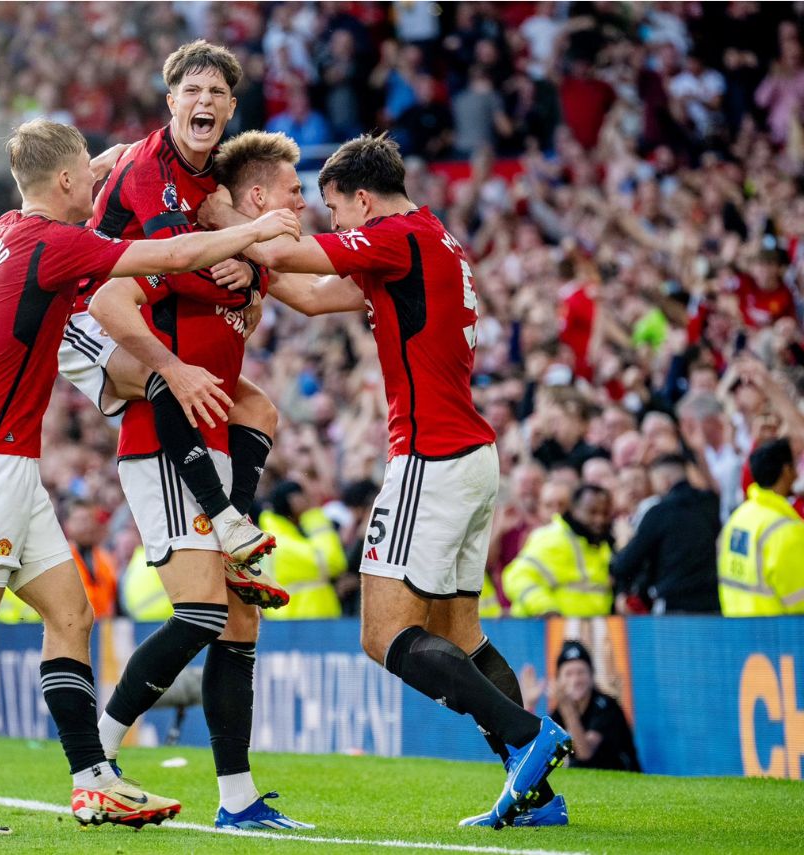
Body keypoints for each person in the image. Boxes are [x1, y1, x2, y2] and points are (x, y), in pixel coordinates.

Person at [0, 119, 300, 838]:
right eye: (86, 172)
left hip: (12, 465)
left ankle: (93, 779)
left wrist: (119, 155)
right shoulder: (58, 244)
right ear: (63, 183)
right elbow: (174, 249)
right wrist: (251, 234)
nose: (97, 182)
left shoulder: (4, 230)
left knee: (72, 615)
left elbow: (91, 177)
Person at [199, 132, 572, 829]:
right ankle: (538, 793)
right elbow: (310, 295)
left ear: (362, 198)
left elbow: (288, 252)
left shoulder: (394, 235)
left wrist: (220, 219)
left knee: (382, 635)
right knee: (462, 632)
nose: (335, 223)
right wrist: (255, 272)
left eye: (336, 209)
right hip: (470, 455)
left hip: (431, 457)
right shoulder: (431, 239)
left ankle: (528, 737)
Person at [89, 129, 316, 832]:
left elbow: (299, 281)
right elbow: (111, 300)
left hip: (210, 441)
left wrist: (255, 273)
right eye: (293, 191)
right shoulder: (182, 251)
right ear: (254, 197)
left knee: (237, 617)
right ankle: (94, 753)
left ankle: (239, 798)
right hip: (160, 446)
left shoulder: (244, 263)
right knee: (203, 613)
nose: (302, 202)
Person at [56, 40, 287, 605]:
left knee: (255, 408)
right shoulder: (148, 164)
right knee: (169, 378)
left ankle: (236, 532)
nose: (203, 101)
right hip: (82, 307)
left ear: (231, 108)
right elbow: (177, 261)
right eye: (192, 91)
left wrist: (252, 274)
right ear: (170, 102)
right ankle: (226, 521)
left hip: (134, 301)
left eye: (216, 93)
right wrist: (252, 269)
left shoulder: (212, 178)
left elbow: (201, 266)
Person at [610, 455, 721, 614]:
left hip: (674, 607)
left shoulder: (659, 512)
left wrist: (622, 541)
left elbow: (625, 565)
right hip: (712, 604)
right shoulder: (710, 503)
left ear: (664, 480)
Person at [717, 439, 804, 616]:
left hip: (739, 632)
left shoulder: (738, 517)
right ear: (786, 471)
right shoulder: (785, 530)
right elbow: (799, 600)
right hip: (778, 638)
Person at [502, 485, 614, 618]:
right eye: (592, 512)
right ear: (574, 509)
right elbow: (517, 577)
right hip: (544, 631)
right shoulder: (552, 537)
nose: (599, 519)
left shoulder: (602, 545)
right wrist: (546, 609)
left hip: (590, 630)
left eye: (605, 513)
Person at [258, 480, 348, 620]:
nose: (311, 499)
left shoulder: (279, 536)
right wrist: (314, 515)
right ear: (294, 500)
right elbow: (333, 562)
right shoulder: (279, 543)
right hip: (300, 624)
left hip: (299, 623)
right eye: (306, 495)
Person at [548, 641, 641, 772]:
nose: (575, 681)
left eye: (581, 672)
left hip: (620, 778)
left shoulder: (606, 706)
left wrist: (568, 711)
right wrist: (529, 705)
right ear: (558, 680)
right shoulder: (559, 711)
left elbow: (585, 753)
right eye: (568, 674)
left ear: (591, 675)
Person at [66, 500, 118, 620]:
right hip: (74, 630)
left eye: (90, 519)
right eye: (81, 520)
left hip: (104, 631)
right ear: (68, 524)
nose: (87, 525)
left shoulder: (106, 560)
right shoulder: (61, 561)